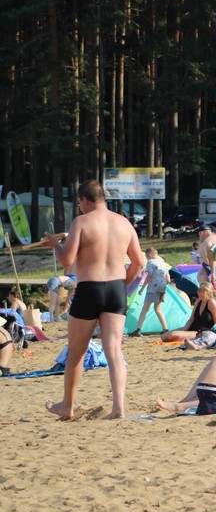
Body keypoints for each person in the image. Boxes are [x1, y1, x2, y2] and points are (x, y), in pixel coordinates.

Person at [40, 179, 144, 420]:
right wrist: (122, 284)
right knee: (114, 351)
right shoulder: (124, 223)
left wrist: (56, 244)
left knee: (76, 352)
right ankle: (118, 408)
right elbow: (138, 263)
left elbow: (67, 261)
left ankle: (67, 406)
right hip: (116, 290)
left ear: (85, 200)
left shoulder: (82, 222)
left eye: (79, 203)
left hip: (90, 288)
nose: (80, 207)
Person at [129, 247, 171, 337]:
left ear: (150, 255)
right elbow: (168, 279)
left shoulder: (151, 262)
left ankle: (138, 329)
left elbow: (149, 276)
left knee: (145, 309)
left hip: (153, 288)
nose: (147, 258)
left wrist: (142, 288)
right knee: (158, 309)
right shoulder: (163, 264)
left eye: (146, 256)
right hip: (162, 288)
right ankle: (165, 329)